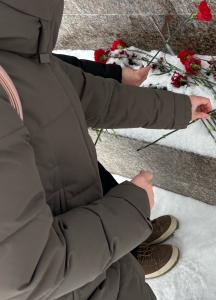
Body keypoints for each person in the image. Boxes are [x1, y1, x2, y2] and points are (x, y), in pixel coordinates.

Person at [0, 0, 212, 299]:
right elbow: (14, 274)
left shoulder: (5, 50)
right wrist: (129, 207)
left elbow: (89, 95)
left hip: (96, 274)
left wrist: (177, 108)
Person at [54, 54, 182, 274]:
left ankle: (133, 231)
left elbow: (56, 66)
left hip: (58, 140)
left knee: (97, 183)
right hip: (25, 161)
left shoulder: (12, 45)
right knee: (74, 208)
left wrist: (116, 75)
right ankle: (127, 258)